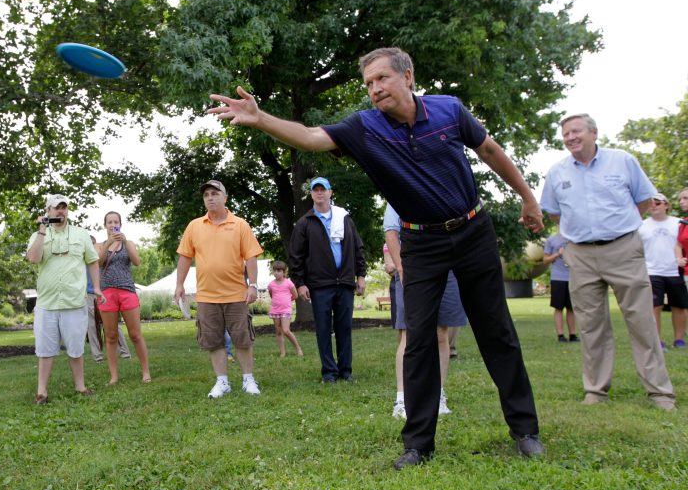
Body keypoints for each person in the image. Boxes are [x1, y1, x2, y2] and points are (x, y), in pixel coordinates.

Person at [209, 47, 545, 468]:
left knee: (496, 331)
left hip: (473, 230)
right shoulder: (364, 127)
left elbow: (490, 151)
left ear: (408, 76)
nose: (375, 89)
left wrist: (527, 197)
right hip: (420, 241)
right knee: (418, 341)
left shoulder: (449, 110)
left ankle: (525, 431)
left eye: (382, 78)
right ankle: (418, 445)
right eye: (369, 83)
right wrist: (261, 119)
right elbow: (311, 136)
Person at [540, 113, 676, 410]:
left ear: (594, 133)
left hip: (624, 249)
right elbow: (553, 212)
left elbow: (644, 200)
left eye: (576, 131)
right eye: (566, 134)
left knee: (641, 321)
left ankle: (660, 393)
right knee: (591, 326)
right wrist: (581, 234)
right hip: (580, 254)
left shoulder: (622, 161)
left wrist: (618, 226)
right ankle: (595, 391)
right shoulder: (557, 172)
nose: (570, 138)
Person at [174, 179, 263, 398]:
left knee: (242, 338)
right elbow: (185, 257)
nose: (210, 198)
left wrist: (252, 285)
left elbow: (251, 256)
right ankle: (222, 382)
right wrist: (179, 285)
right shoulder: (194, 226)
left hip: (236, 294)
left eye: (215, 193)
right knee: (213, 341)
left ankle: (248, 379)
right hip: (207, 296)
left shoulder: (240, 224)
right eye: (206, 195)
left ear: (225, 197)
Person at [384, 203, 466, 420]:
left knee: (441, 333)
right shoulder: (400, 191)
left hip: (448, 267)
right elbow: (391, 231)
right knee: (409, 334)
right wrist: (401, 268)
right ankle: (402, 399)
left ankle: (438, 395)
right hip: (412, 267)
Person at [26, 194, 102, 404]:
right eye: (56, 207)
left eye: (64, 207)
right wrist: (42, 230)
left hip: (74, 301)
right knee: (45, 350)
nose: (60, 210)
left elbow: (92, 261)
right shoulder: (38, 235)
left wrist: (96, 287)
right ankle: (42, 392)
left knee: (76, 348)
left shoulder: (81, 234)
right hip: (47, 303)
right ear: (48, 211)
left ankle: (80, 387)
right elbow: (33, 258)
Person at [288, 177, 366, 383]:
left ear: (330, 192)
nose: (319, 193)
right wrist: (300, 283)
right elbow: (295, 256)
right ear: (311, 194)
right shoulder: (305, 222)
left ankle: (345, 371)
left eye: (323, 189)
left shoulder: (344, 218)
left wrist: (361, 275)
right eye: (316, 190)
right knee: (323, 329)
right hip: (320, 284)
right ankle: (329, 373)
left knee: (344, 329)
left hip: (345, 282)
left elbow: (358, 248)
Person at [95, 211, 151, 385]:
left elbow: (137, 262)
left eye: (116, 222)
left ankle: (146, 371)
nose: (113, 225)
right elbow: (97, 263)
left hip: (127, 291)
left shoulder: (129, 243)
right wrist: (108, 243)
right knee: (111, 335)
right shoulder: (99, 245)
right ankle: (113, 376)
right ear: (105, 225)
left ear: (120, 224)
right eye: (109, 222)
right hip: (107, 293)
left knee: (135, 334)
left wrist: (124, 241)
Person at [638, 193, 688, 349]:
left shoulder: (679, 223)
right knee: (655, 306)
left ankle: (679, 340)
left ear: (666, 205)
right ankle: (657, 341)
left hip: (675, 271)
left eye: (658, 202)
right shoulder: (641, 225)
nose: (653, 205)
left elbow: (683, 245)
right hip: (651, 271)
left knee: (679, 306)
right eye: (650, 202)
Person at [86, 235, 131, 363]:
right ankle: (98, 356)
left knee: (113, 324)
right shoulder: (81, 257)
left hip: (104, 292)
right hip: (89, 294)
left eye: (92, 243)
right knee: (91, 326)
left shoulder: (101, 253)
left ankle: (124, 352)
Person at [543, 233, 577, 342]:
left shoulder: (574, 238)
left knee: (571, 308)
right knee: (558, 307)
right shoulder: (551, 240)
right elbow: (545, 260)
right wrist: (558, 253)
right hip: (558, 278)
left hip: (573, 278)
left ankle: (573, 335)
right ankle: (560, 335)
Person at [267, 260, 303, 357]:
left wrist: (286, 301)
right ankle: (282, 353)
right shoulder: (271, 285)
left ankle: (298, 348)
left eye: (279, 271)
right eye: (274, 270)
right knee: (279, 331)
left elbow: (295, 295)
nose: (276, 273)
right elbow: (272, 295)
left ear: (284, 272)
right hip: (275, 310)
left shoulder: (289, 283)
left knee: (286, 330)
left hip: (285, 310)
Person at [677, 186, 688, 288]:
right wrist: (679, 259)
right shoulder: (684, 223)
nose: (681, 202)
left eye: (685, 198)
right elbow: (678, 244)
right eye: (680, 199)